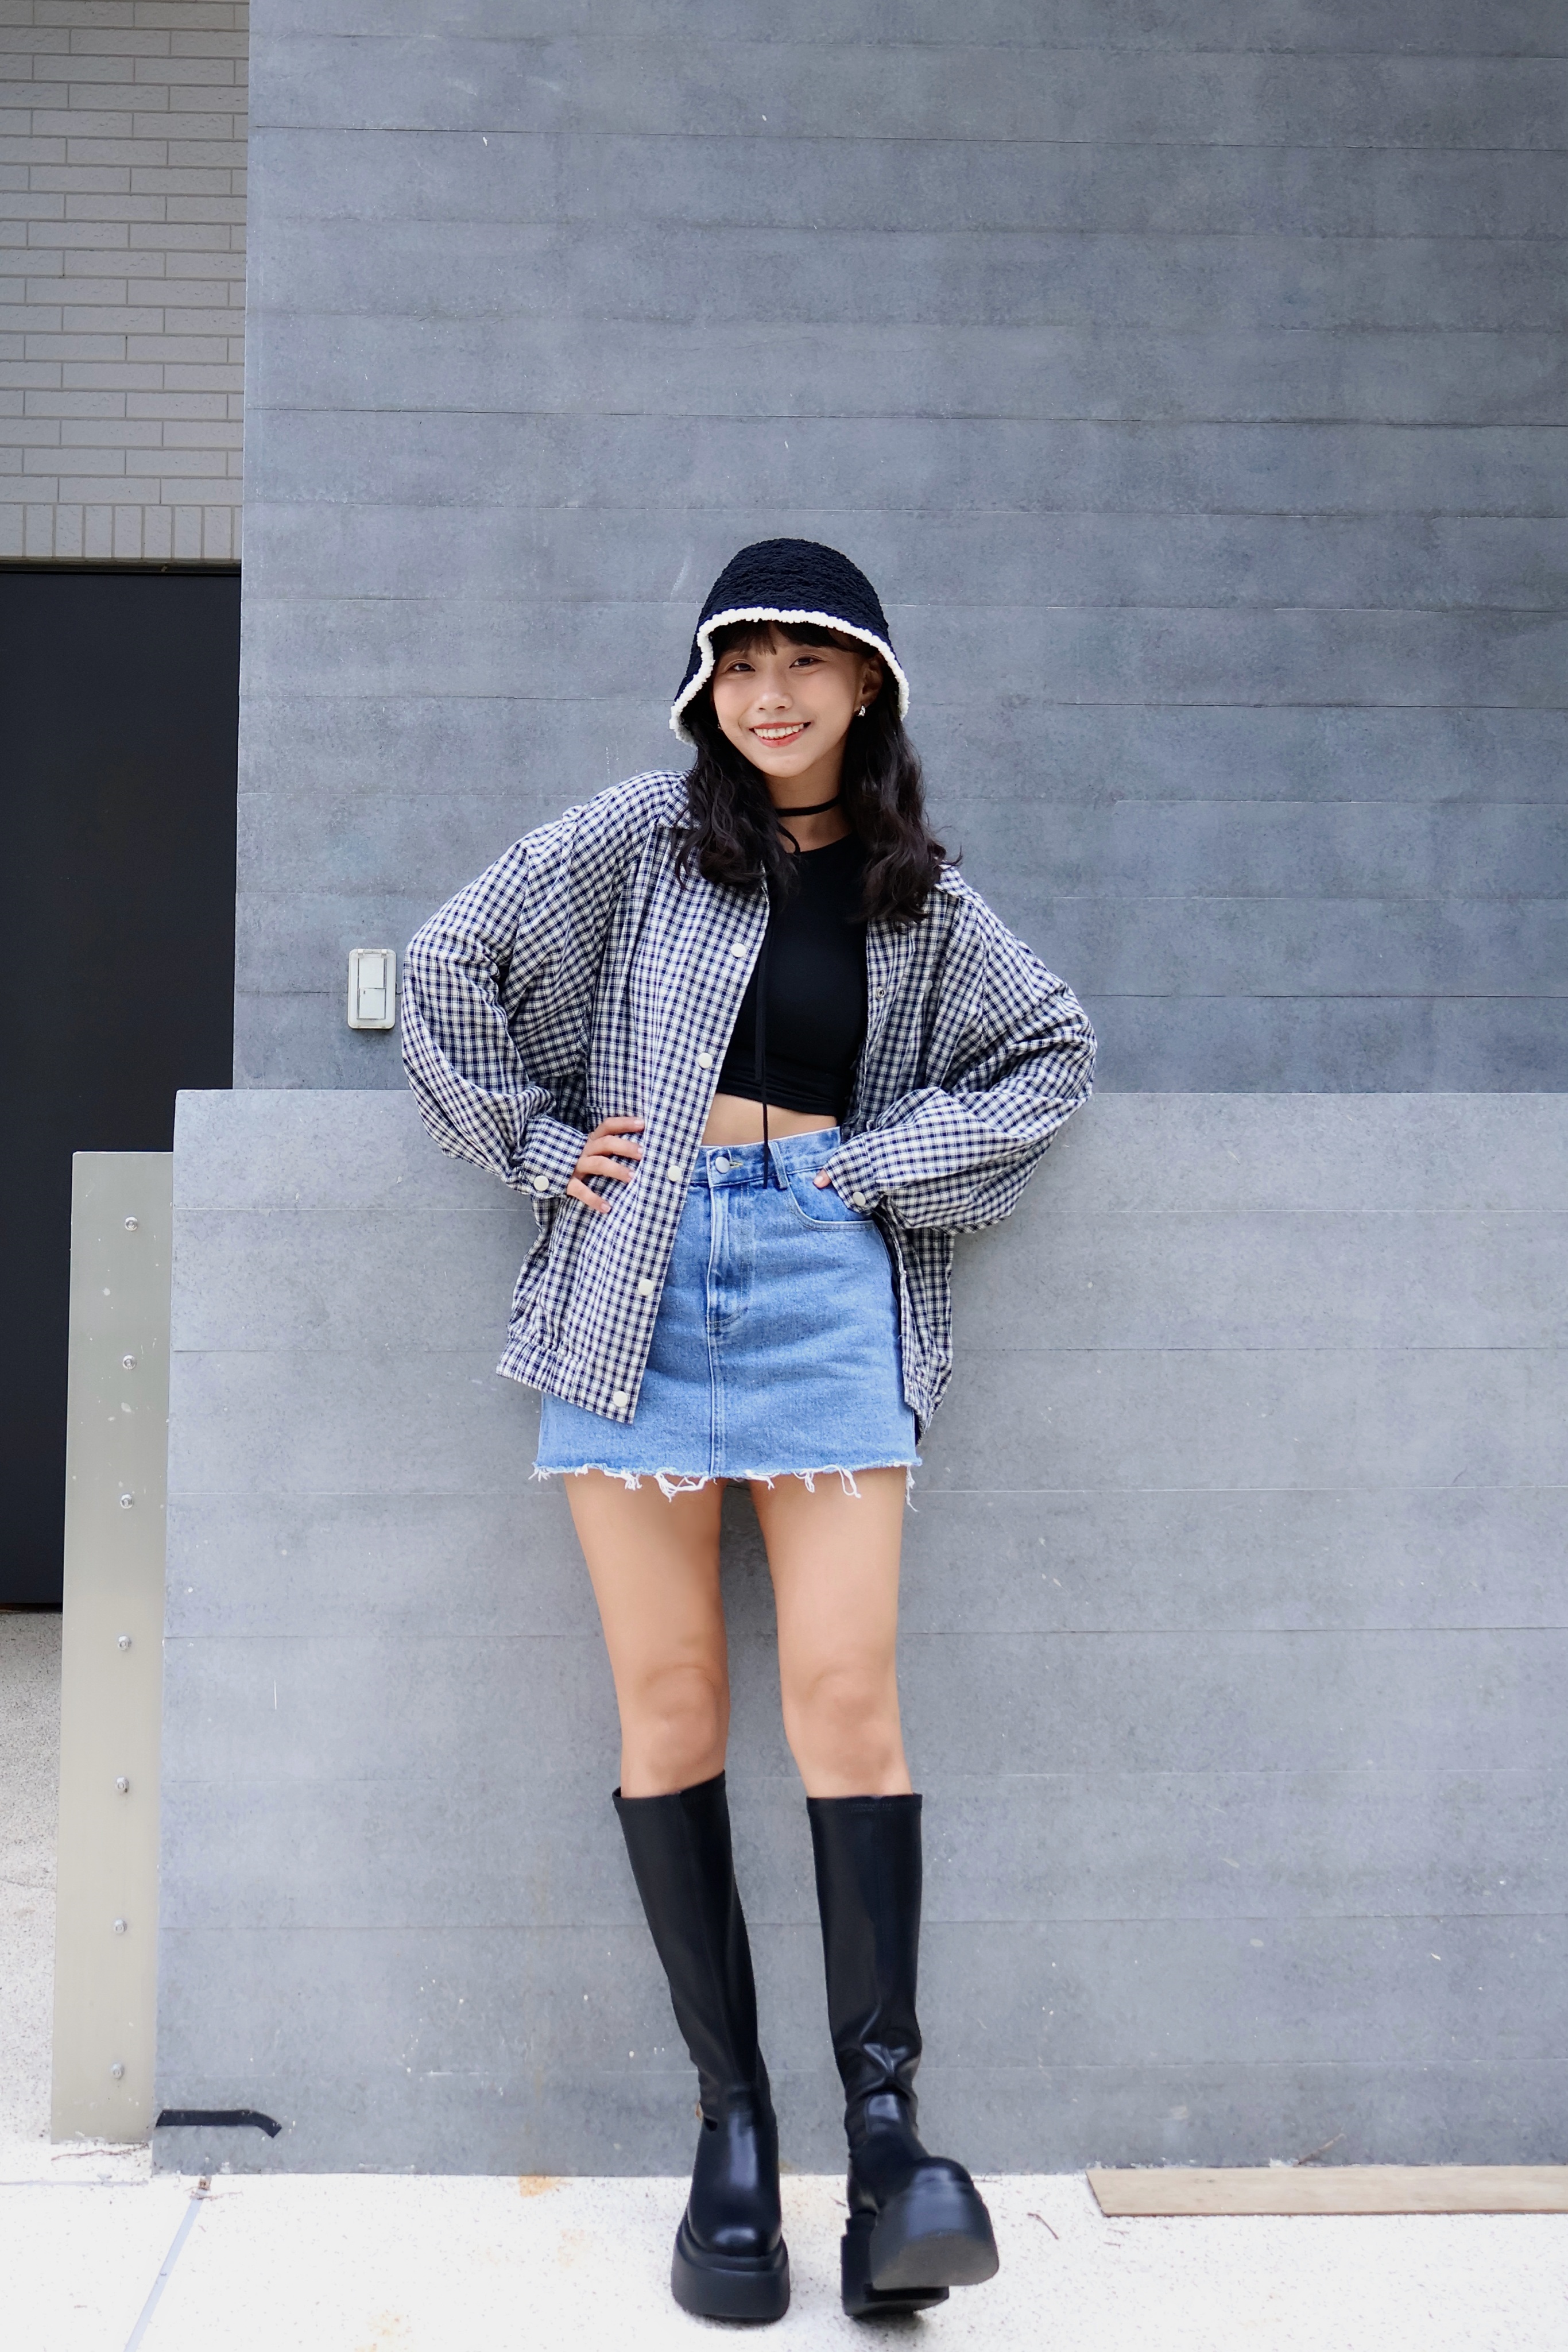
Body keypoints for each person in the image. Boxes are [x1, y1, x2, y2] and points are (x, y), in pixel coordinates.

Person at [402, 539, 1095, 2322]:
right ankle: (731, 2125)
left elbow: (1048, 1052)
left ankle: (886, 2144)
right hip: (628, 1283)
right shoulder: (638, 838)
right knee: (670, 1703)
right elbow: (446, 968)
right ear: (705, 685)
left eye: (807, 660)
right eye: (741, 660)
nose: (770, 693)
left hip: (820, 1287)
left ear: (868, 687)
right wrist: (539, 1145)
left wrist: (874, 1167)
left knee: (845, 1701)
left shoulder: (917, 894)